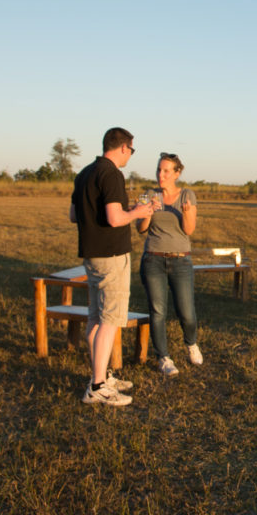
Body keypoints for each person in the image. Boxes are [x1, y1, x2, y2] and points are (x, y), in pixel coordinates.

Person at [70, 127, 156, 406]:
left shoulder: (84, 173)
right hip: (111, 256)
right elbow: (115, 218)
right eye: (131, 150)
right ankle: (97, 386)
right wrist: (139, 212)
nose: (131, 155)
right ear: (123, 147)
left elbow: (74, 214)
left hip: (91, 255)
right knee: (109, 321)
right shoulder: (112, 174)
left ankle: (102, 375)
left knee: (95, 318)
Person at [137, 153, 202, 377]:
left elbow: (189, 230)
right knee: (157, 311)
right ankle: (163, 357)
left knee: (187, 313)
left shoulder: (187, 195)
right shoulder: (147, 195)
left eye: (166, 171)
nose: (161, 175)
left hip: (180, 260)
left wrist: (185, 213)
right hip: (153, 259)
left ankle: (191, 343)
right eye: (158, 170)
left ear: (177, 173)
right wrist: (149, 211)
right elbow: (141, 228)